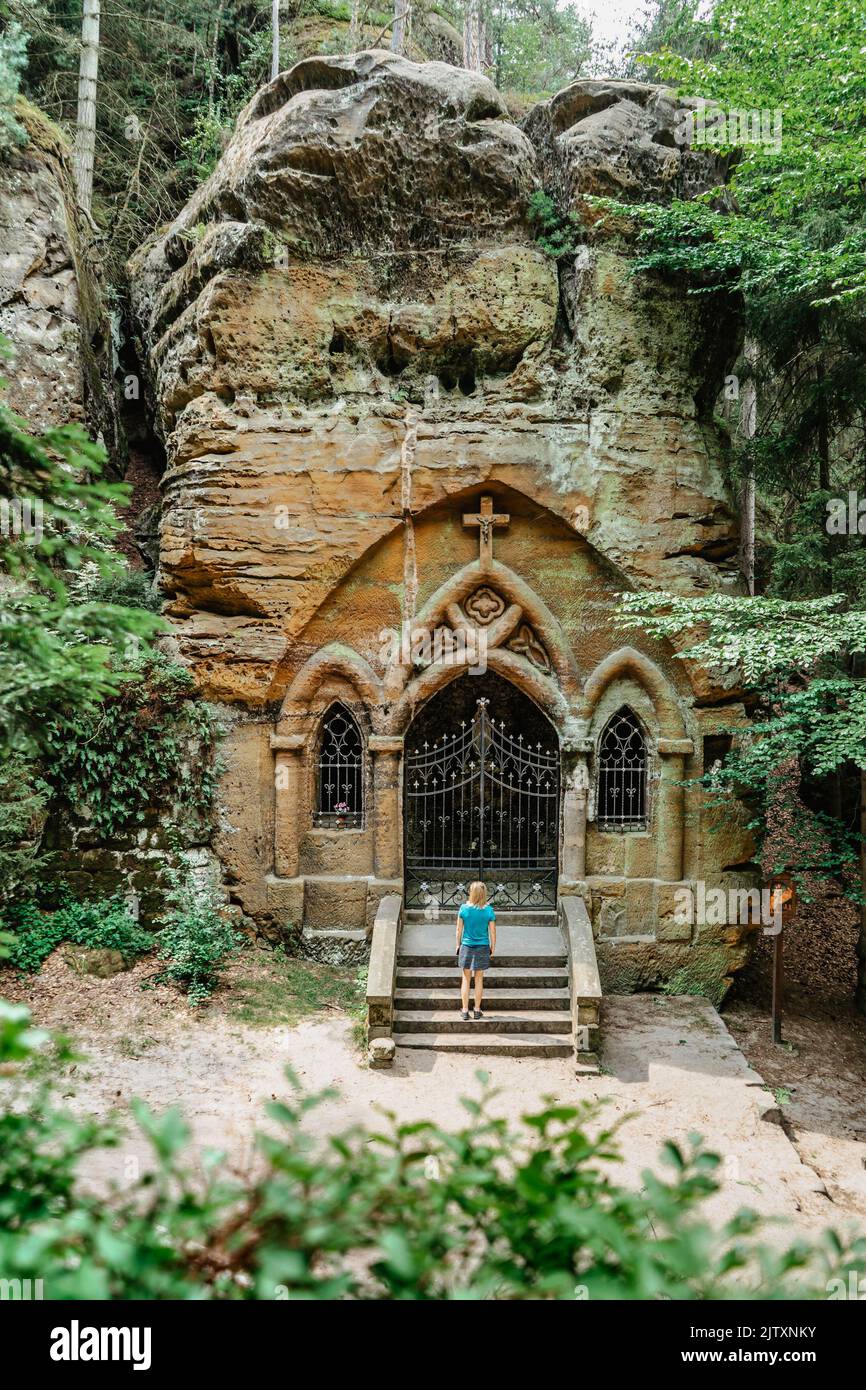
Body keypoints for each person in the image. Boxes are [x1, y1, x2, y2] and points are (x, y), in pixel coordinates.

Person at [455, 881, 496, 1021]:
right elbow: (492, 931)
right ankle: (477, 1010)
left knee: (466, 978)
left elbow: (459, 929)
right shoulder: (489, 911)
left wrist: (457, 944)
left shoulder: (464, 909)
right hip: (483, 946)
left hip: (466, 946)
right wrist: (493, 947)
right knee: (479, 979)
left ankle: (465, 1010)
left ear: (471, 893)